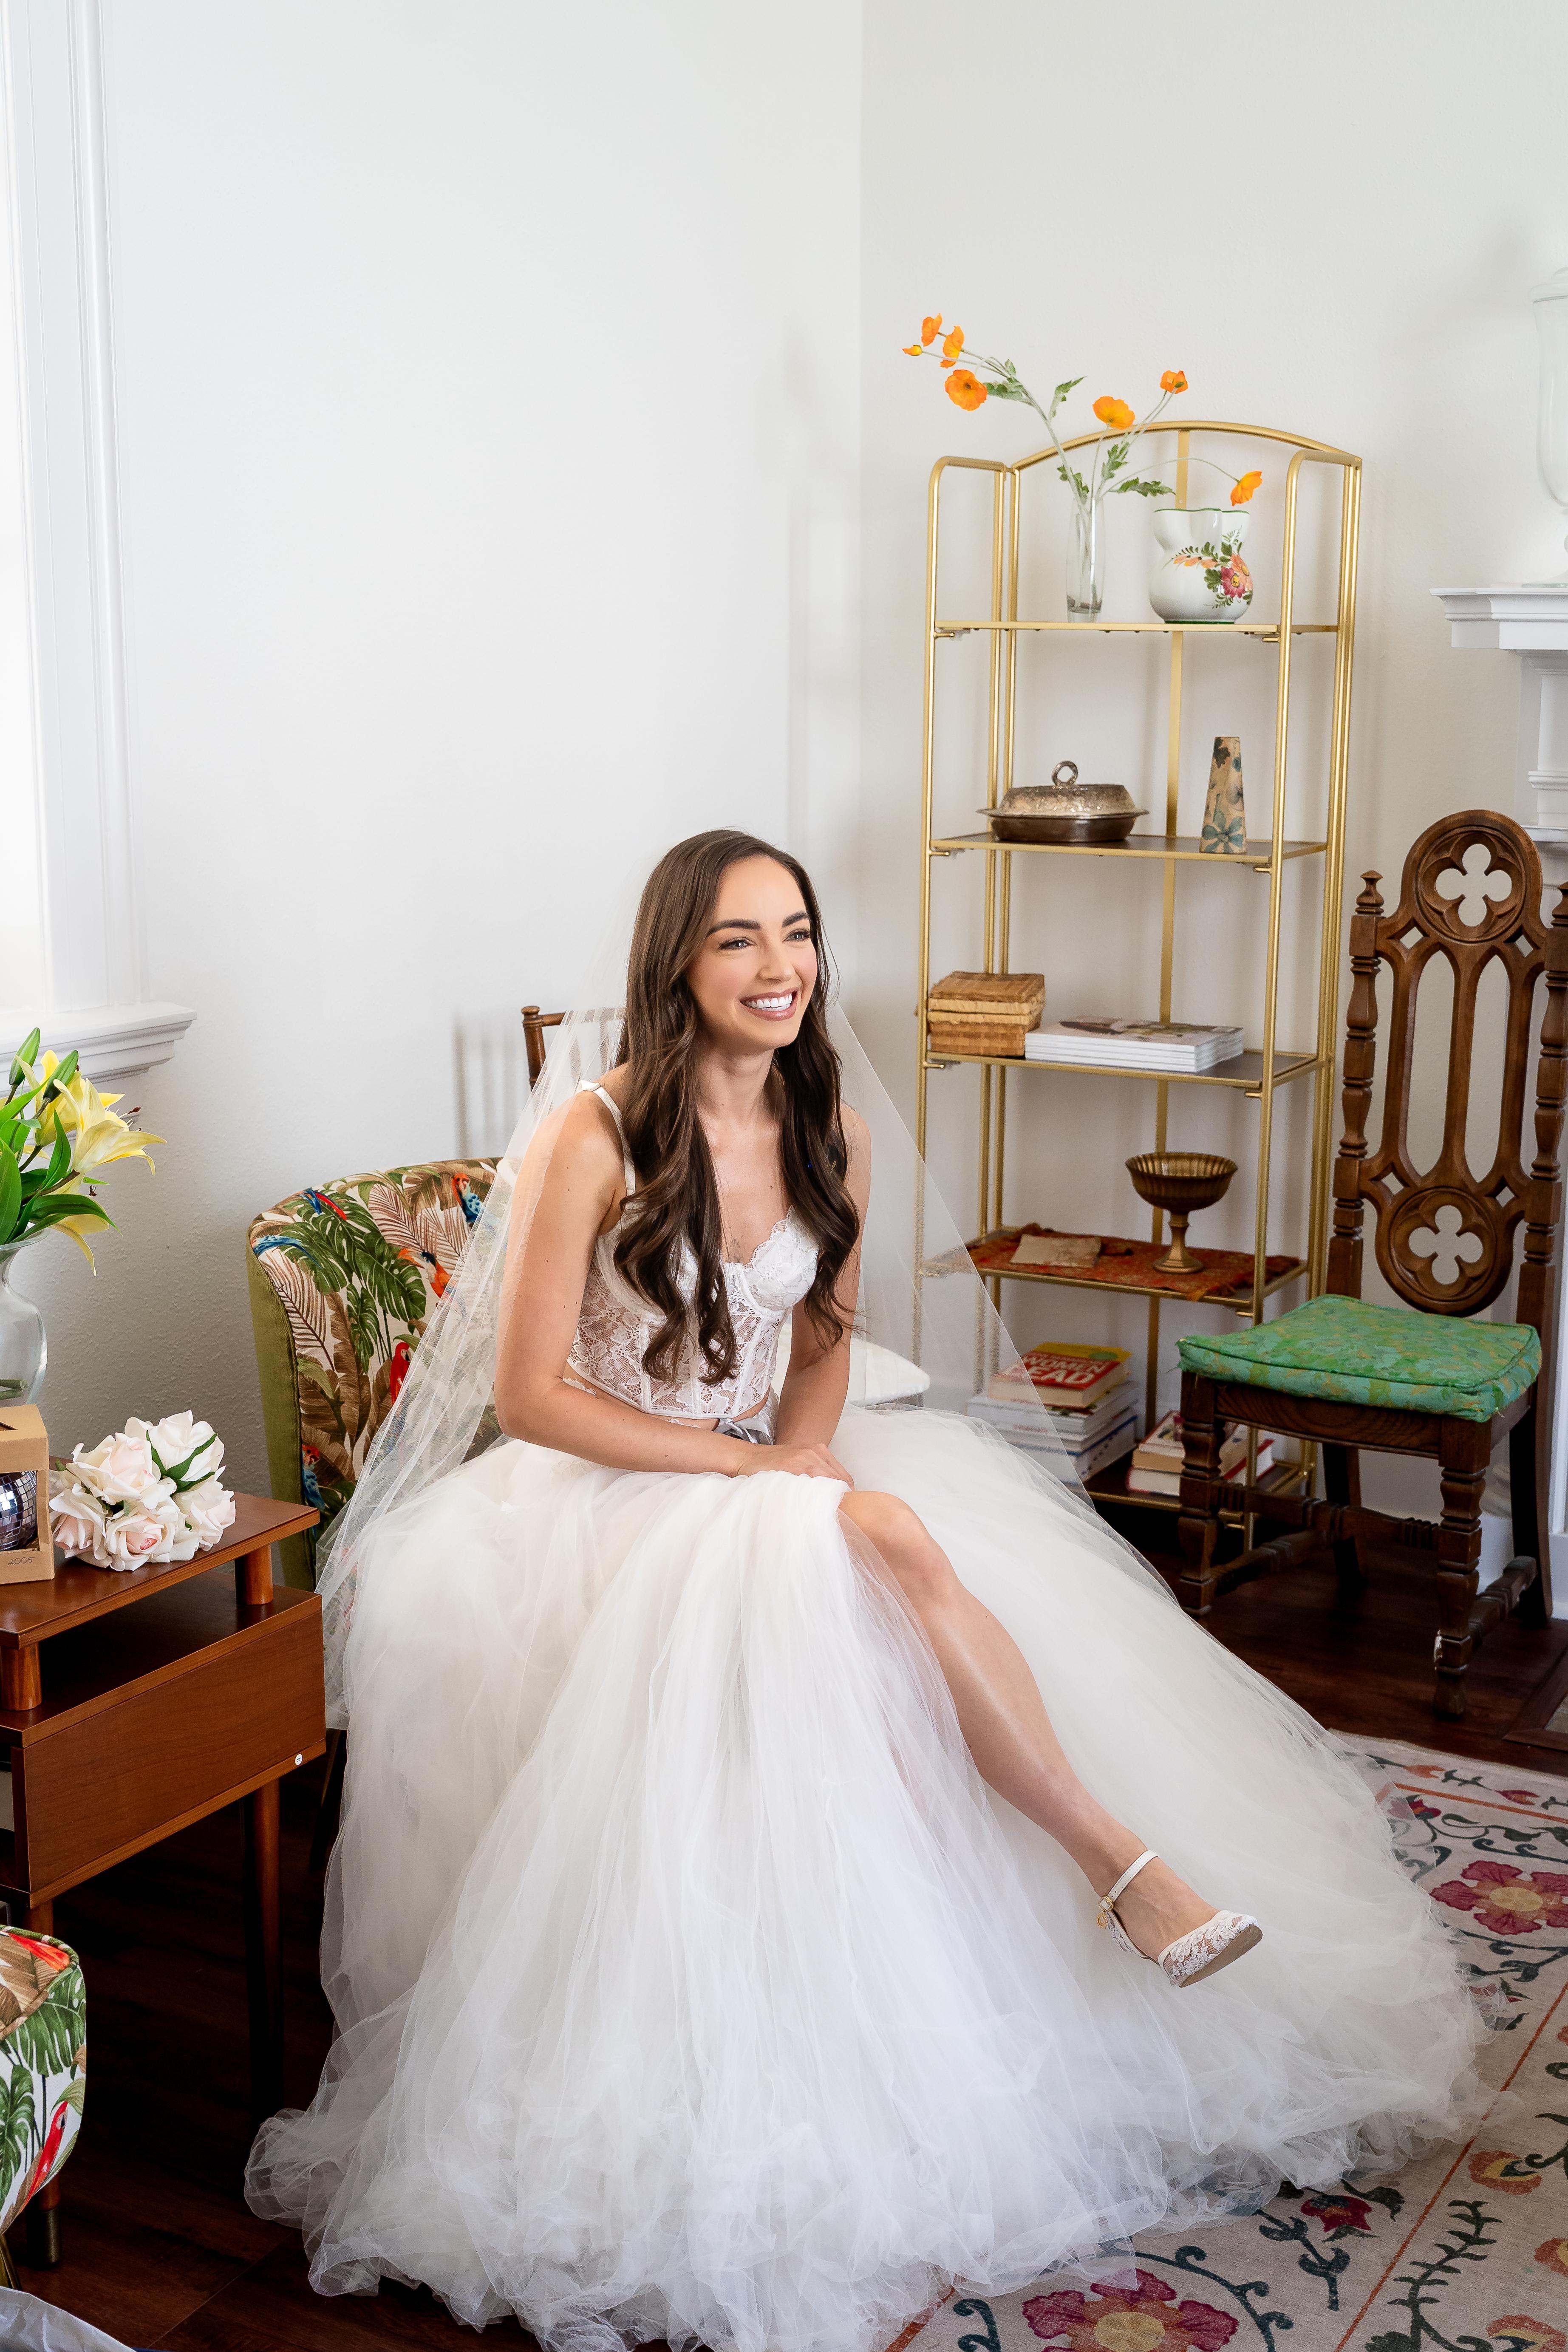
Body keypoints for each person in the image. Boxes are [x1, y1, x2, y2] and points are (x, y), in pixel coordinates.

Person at [248, 830, 1482, 2352]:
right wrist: (746, 1471)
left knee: (879, 1541)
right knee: (882, 1544)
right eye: (738, 940)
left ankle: (1081, 1883)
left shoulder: (830, 1119)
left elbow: (823, 1338)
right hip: (607, 1481)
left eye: (797, 932)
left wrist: (801, 1461)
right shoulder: (594, 1134)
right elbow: (531, 1399)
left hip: (770, 1460)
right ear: (677, 965)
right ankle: (1116, 1864)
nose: (779, 968)